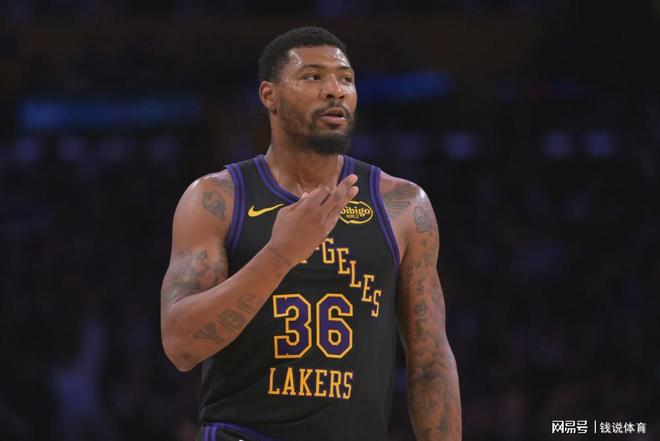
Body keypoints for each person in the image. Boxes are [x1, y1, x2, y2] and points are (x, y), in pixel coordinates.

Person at [160, 26, 461, 441]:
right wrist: (280, 254)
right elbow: (181, 346)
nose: (335, 90)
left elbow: (430, 363)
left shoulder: (404, 205)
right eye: (312, 77)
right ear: (269, 96)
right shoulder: (216, 198)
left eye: (346, 78)